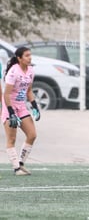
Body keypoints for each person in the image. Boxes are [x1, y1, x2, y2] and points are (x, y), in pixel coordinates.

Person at [2, 47, 40, 176]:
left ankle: (21, 163)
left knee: (32, 134)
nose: (30, 58)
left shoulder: (31, 71)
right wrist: (11, 113)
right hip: (9, 106)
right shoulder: (13, 72)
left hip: (22, 106)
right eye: (27, 56)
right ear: (19, 58)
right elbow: (6, 94)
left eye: (30, 55)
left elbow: (29, 91)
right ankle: (16, 168)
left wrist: (35, 106)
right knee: (11, 138)